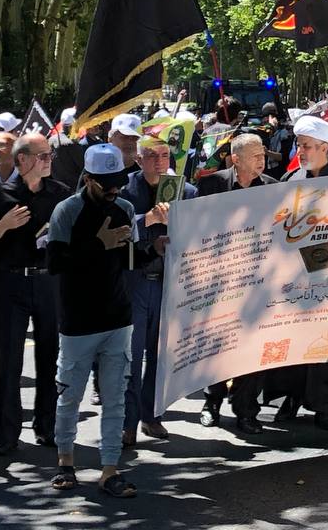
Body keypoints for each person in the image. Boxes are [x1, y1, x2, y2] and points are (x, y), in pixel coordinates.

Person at [48, 143, 143, 498]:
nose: (114, 189)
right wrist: (97, 244)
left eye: (118, 180)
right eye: (106, 183)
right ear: (88, 180)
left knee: (115, 398)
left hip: (118, 317)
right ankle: (65, 462)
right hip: (77, 320)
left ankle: (109, 470)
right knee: (69, 396)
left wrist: (156, 247)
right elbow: (55, 263)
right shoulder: (66, 211)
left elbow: (130, 259)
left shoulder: (126, 208)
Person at [0, 131, 69, 453]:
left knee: (49, 357)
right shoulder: (1, 194)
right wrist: (2, 227)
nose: (48, 161)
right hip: (11, 282)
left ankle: (46, 426)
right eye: (42, 156)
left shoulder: (59, 194)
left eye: (49, 156)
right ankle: (6, 433)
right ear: (23, 160)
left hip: (47, 281)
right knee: (9, 360)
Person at [195, 133, 278, 433]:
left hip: (257, 283)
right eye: (255, 155)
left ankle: (246, 411)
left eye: (263, 155)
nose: (262, 160)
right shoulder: (211, 185)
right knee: (217, 347)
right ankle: (211, 402)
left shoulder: (271, 187)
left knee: (251, 349)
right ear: (235, 159)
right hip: (218, 281)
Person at [121, 132, 197, 447]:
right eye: (152, 155)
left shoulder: (186, 190)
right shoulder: (126, 190)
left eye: (165, 155)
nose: (160, 161)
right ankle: (126, 422)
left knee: (159, 355)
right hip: (135, 281)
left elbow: (197, 232)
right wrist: (147, 219)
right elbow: (118, 232)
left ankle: (151, 416)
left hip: (168, 282)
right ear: (139, 159)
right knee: (130, 355)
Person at [277, 114, 328, 428]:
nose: (300, 151)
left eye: (306, 146)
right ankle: (291, 398)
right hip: (295, 274)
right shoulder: (291, 181)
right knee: (294, 341)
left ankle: (326, 407)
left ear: (324, 147)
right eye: (299, 145)